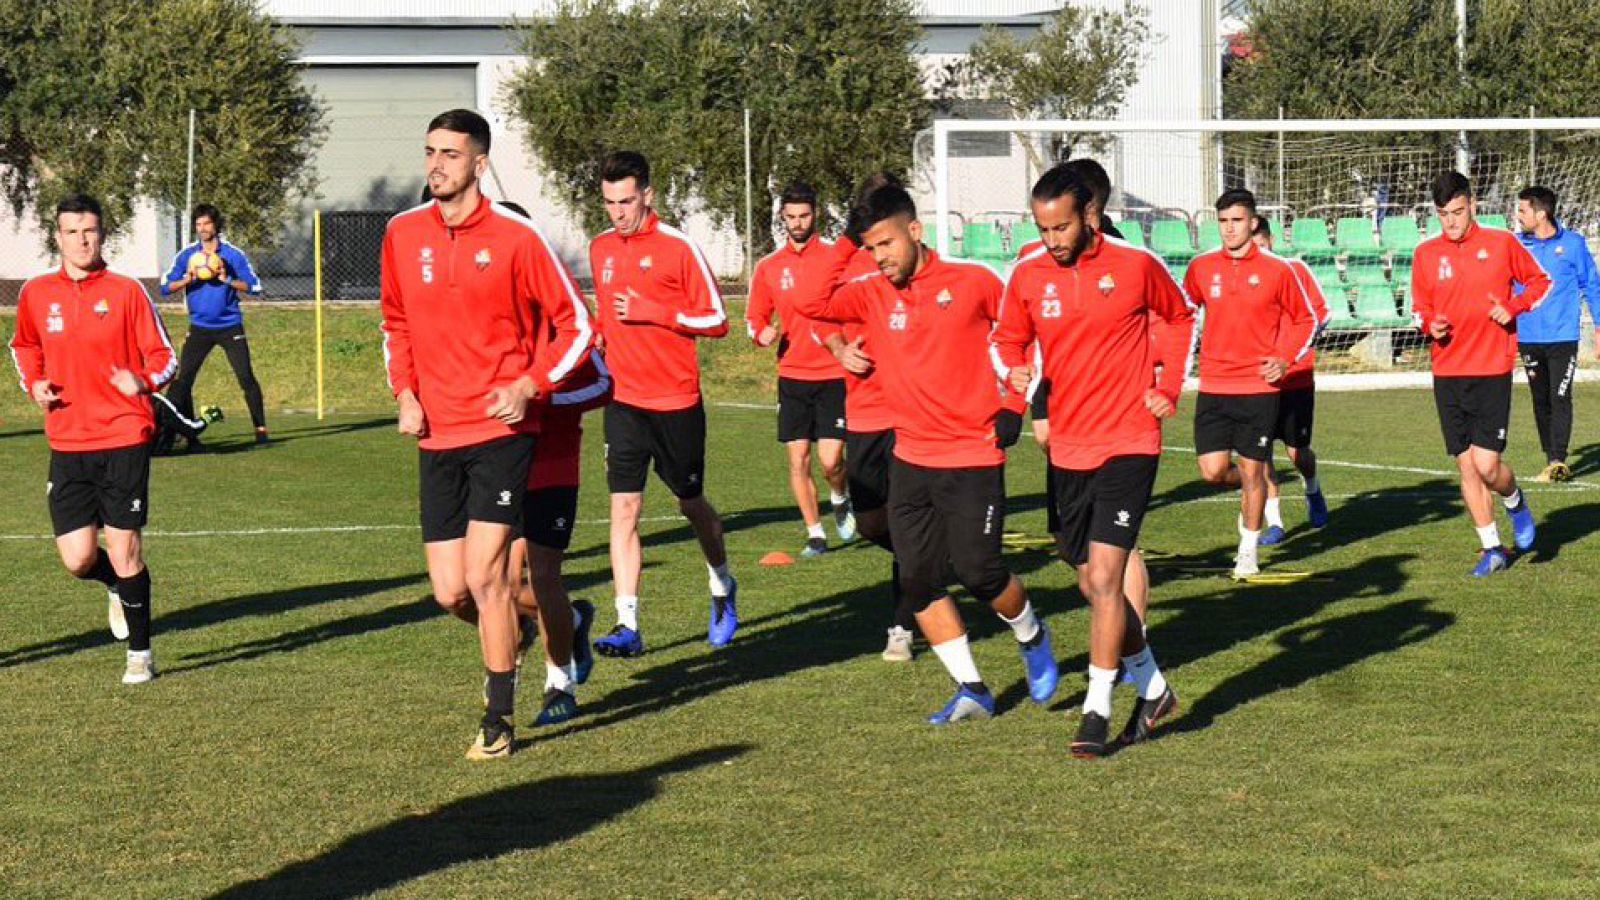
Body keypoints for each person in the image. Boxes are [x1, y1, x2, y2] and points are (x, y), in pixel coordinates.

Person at [794, 183, 1056, 724]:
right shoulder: (869, 290)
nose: (879, 257)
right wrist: (847, 241)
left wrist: (1013, 401)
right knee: (917, 580)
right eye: (870, 248)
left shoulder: (973, 281)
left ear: (915, 230)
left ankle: (1032, 636)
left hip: (973, 453)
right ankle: (973, 688)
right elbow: (811, 301)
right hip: (910, 458)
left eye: (886, 243)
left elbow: (1023, 336)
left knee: (980, 572)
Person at [380, 109, 594, 759]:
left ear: (480, 162)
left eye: (450, 153)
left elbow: (577, 326)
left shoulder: (516, 237)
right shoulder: (402, 233)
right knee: (450, 591)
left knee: (486, 577)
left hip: (503, 433)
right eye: (430, 152)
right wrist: (406, 392)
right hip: (437, 435)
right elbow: (395, 324)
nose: (436, 164)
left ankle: (498, 720)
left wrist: (529, 385)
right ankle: (528, 631)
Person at [993, 164, 1193, 758]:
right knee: (1085, 578)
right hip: (1068, 448)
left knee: (1107, 577)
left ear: (1089, 216)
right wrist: (1016, 371)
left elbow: (1180, 318)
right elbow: (1007, 339)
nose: (1051, 239)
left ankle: (1097, 707)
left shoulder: (1135, 268)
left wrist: (1169, 386)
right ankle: (1154, 687)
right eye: (1041, 228)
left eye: (1060, 227)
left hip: (1130, 440)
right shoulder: (1028, 277)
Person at [9, 193, 177, 685]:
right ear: (57, 237)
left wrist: (142, 382)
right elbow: (24, 346)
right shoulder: (36, 294)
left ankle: (141, 656)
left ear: (102, 235)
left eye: (91, 231)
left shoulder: (127, 292)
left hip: (124, 435)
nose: (83, 240)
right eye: (73, 232)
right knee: (78, 558)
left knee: (127, 549)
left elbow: (164, 355)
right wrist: (34, 383)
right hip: (67, 441)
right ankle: (112, 586)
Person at [588, 150, 738, 658]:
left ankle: (721, 586)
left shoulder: (678, 248)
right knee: (624, 509)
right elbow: (606, 317)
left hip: (675, 402)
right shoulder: (600, 248)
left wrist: (655, 310)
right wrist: (599, 339)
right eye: (609, 202)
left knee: (690, 504)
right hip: (624, 402)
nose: (618, 212)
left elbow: (716, 319)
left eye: (626, 201)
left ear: (648, 194)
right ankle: (627, 624)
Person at [1412, 173, 1550, 576]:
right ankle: (1492, 547)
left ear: (1472, 205)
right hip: (1448, 371)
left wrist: (1514, 307)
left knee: (1488, 466)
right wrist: (1428, 325)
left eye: (1457, 212)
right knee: (1466, 465)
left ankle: (1514, 500)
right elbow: (1418, 306)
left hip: (1491, 368)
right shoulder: (1425, 254)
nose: (1451, 222)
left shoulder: (1501, 243)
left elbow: (1541, 282)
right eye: (1442, 215)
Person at [1182, 189, 1317, 579]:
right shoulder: (1202, 267)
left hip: (1259, 389)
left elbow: (1305, 319)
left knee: (1256, 471)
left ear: (1253, 222)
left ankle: (1247, 550)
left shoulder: (1278, 269)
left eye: (1237, 221)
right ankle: (1254, 485)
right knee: (1211, 471)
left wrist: (1284, 358)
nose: (1229, 228)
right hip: (1214, 385)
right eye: (1223, 221)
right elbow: (1183, 310)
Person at [815, 171, 917, 661]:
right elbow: (817, 311)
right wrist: (838, 349)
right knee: (874, 522)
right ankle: (923, 564)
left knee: (902, 513)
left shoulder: (909, 263)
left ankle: (902, 626)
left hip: (909, 410)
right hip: (864, 411)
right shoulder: (853, 261)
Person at [747, 182, 854, 558]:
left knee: (830, 461)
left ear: (815, 215)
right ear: (782, 218)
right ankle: (815, 534)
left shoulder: (835, 258)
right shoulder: (769, 267)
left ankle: (840, 494)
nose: (797, 223)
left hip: (832, 374)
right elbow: (754, 318)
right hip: (792, 376)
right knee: (798, 459)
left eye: (804, 215)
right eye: (790, 217)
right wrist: (762, 333)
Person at [1248, 216, 1333, 544]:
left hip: (1296, 378)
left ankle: (1313, 491)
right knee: (1262, 454)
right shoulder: (1244, 277)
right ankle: (1275, 522)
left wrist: (1291, 350)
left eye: (1261, 244)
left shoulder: (1294, 269)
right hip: (1259, 382)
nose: (1258, 251)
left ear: (1270, 241)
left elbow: (1322, 314)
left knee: (1298, 453)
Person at [160, 204, 270, 447]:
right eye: (198, 225)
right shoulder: (187, 256)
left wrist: (227, 279)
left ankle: (261, 429)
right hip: (199, 327)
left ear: (216, 226)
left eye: (206, 224)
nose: (202, 229)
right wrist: (186, 280)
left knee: (245, 377)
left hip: (230, 326)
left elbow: (255, 287)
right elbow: (164, 288)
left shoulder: (233, 255)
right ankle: (177, 433)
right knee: (183, 381)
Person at [1514, 185, 1599, 483]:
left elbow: (1592, 285)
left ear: (1541, 213)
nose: (1518, 215)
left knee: (1561, 396)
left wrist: (1599, 328)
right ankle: (1550, 457)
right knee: (1541, 400)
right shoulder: (1516, 246)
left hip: (1563, 337)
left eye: (1523, 210)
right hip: (1528, 337)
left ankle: (1557, 460)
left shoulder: (1573, 244)